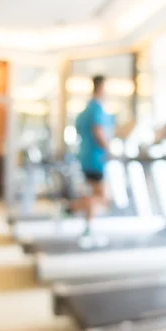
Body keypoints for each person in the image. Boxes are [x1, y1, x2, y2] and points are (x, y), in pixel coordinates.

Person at [66, 75, 113, 238]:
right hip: (95, 158)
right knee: (101, 197)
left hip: (85, 156)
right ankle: (70, 208)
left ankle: (88, 227)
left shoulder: (85, 110)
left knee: (96, 194)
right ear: (101, 89)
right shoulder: (96, 108)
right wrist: (109, 150)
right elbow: (97, 131)